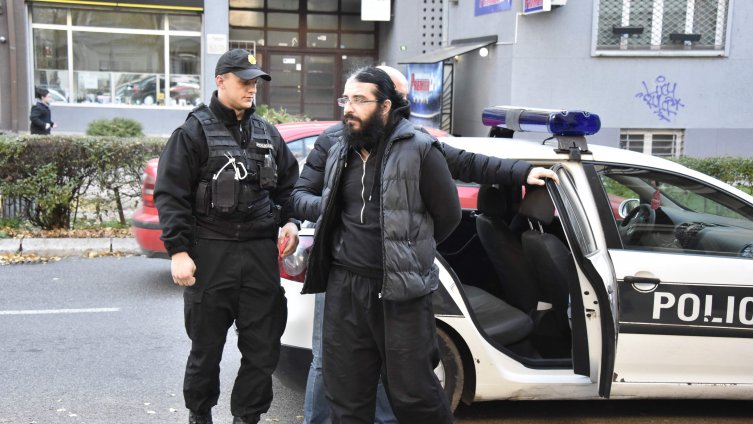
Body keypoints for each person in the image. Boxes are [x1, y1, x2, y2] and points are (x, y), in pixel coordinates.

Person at [295, 66, 558, 423]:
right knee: (342, 385)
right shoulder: (334, 143)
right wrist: (331, 209)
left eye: (359, 99)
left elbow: (456, 192)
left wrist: (520, 172)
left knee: (413, 390)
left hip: (400, 287)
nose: (349, 107)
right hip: (343, 283)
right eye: (347, 99)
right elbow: (299, 195)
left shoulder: (416, 145)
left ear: (386, 105)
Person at [154, 48, 301, 424]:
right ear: (220, 81)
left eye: (255, 82)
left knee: (262, 350)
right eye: (244, 81)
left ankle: (246, 418)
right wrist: (178, 251)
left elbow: (288, 186)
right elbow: (171, 194)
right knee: (206, 350)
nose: (251, 88)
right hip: (211, 252)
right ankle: (200, 415)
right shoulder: (192, 132)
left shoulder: (267, 133)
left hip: (259, 255)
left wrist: (291, 222)